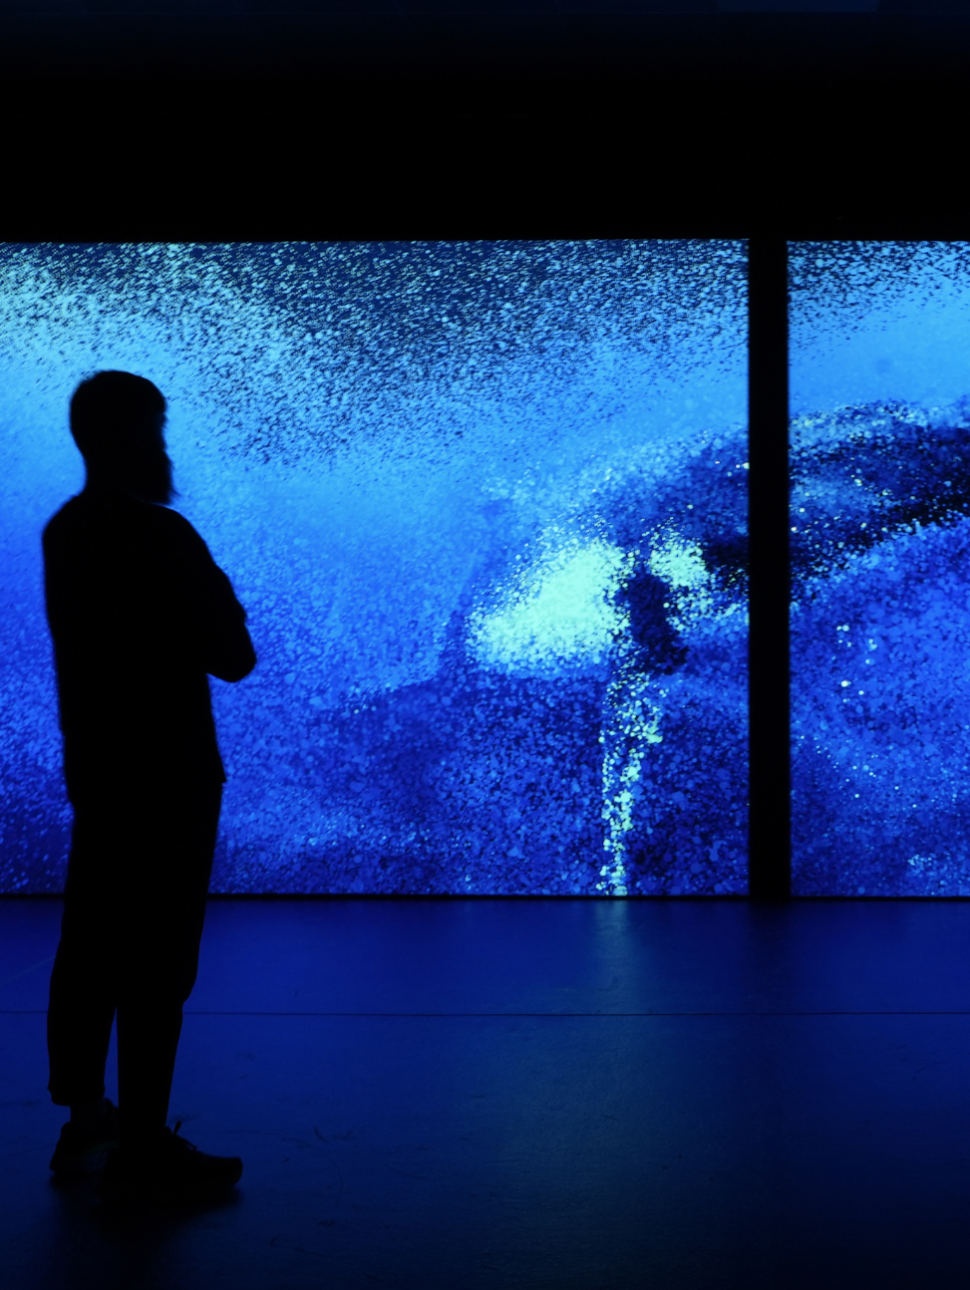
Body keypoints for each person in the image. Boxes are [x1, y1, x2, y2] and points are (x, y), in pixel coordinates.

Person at [43, 371, 256, 1202]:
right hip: (170, 778)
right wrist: (217, 591)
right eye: (157, 428)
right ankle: (143, 1141)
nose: (165, 446)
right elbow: (234, 658)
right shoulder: (164, 535)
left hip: (99, 773)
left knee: (90, 945)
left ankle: (86, 1113)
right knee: (159, 963)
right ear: (136, 435)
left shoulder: (65, 531)